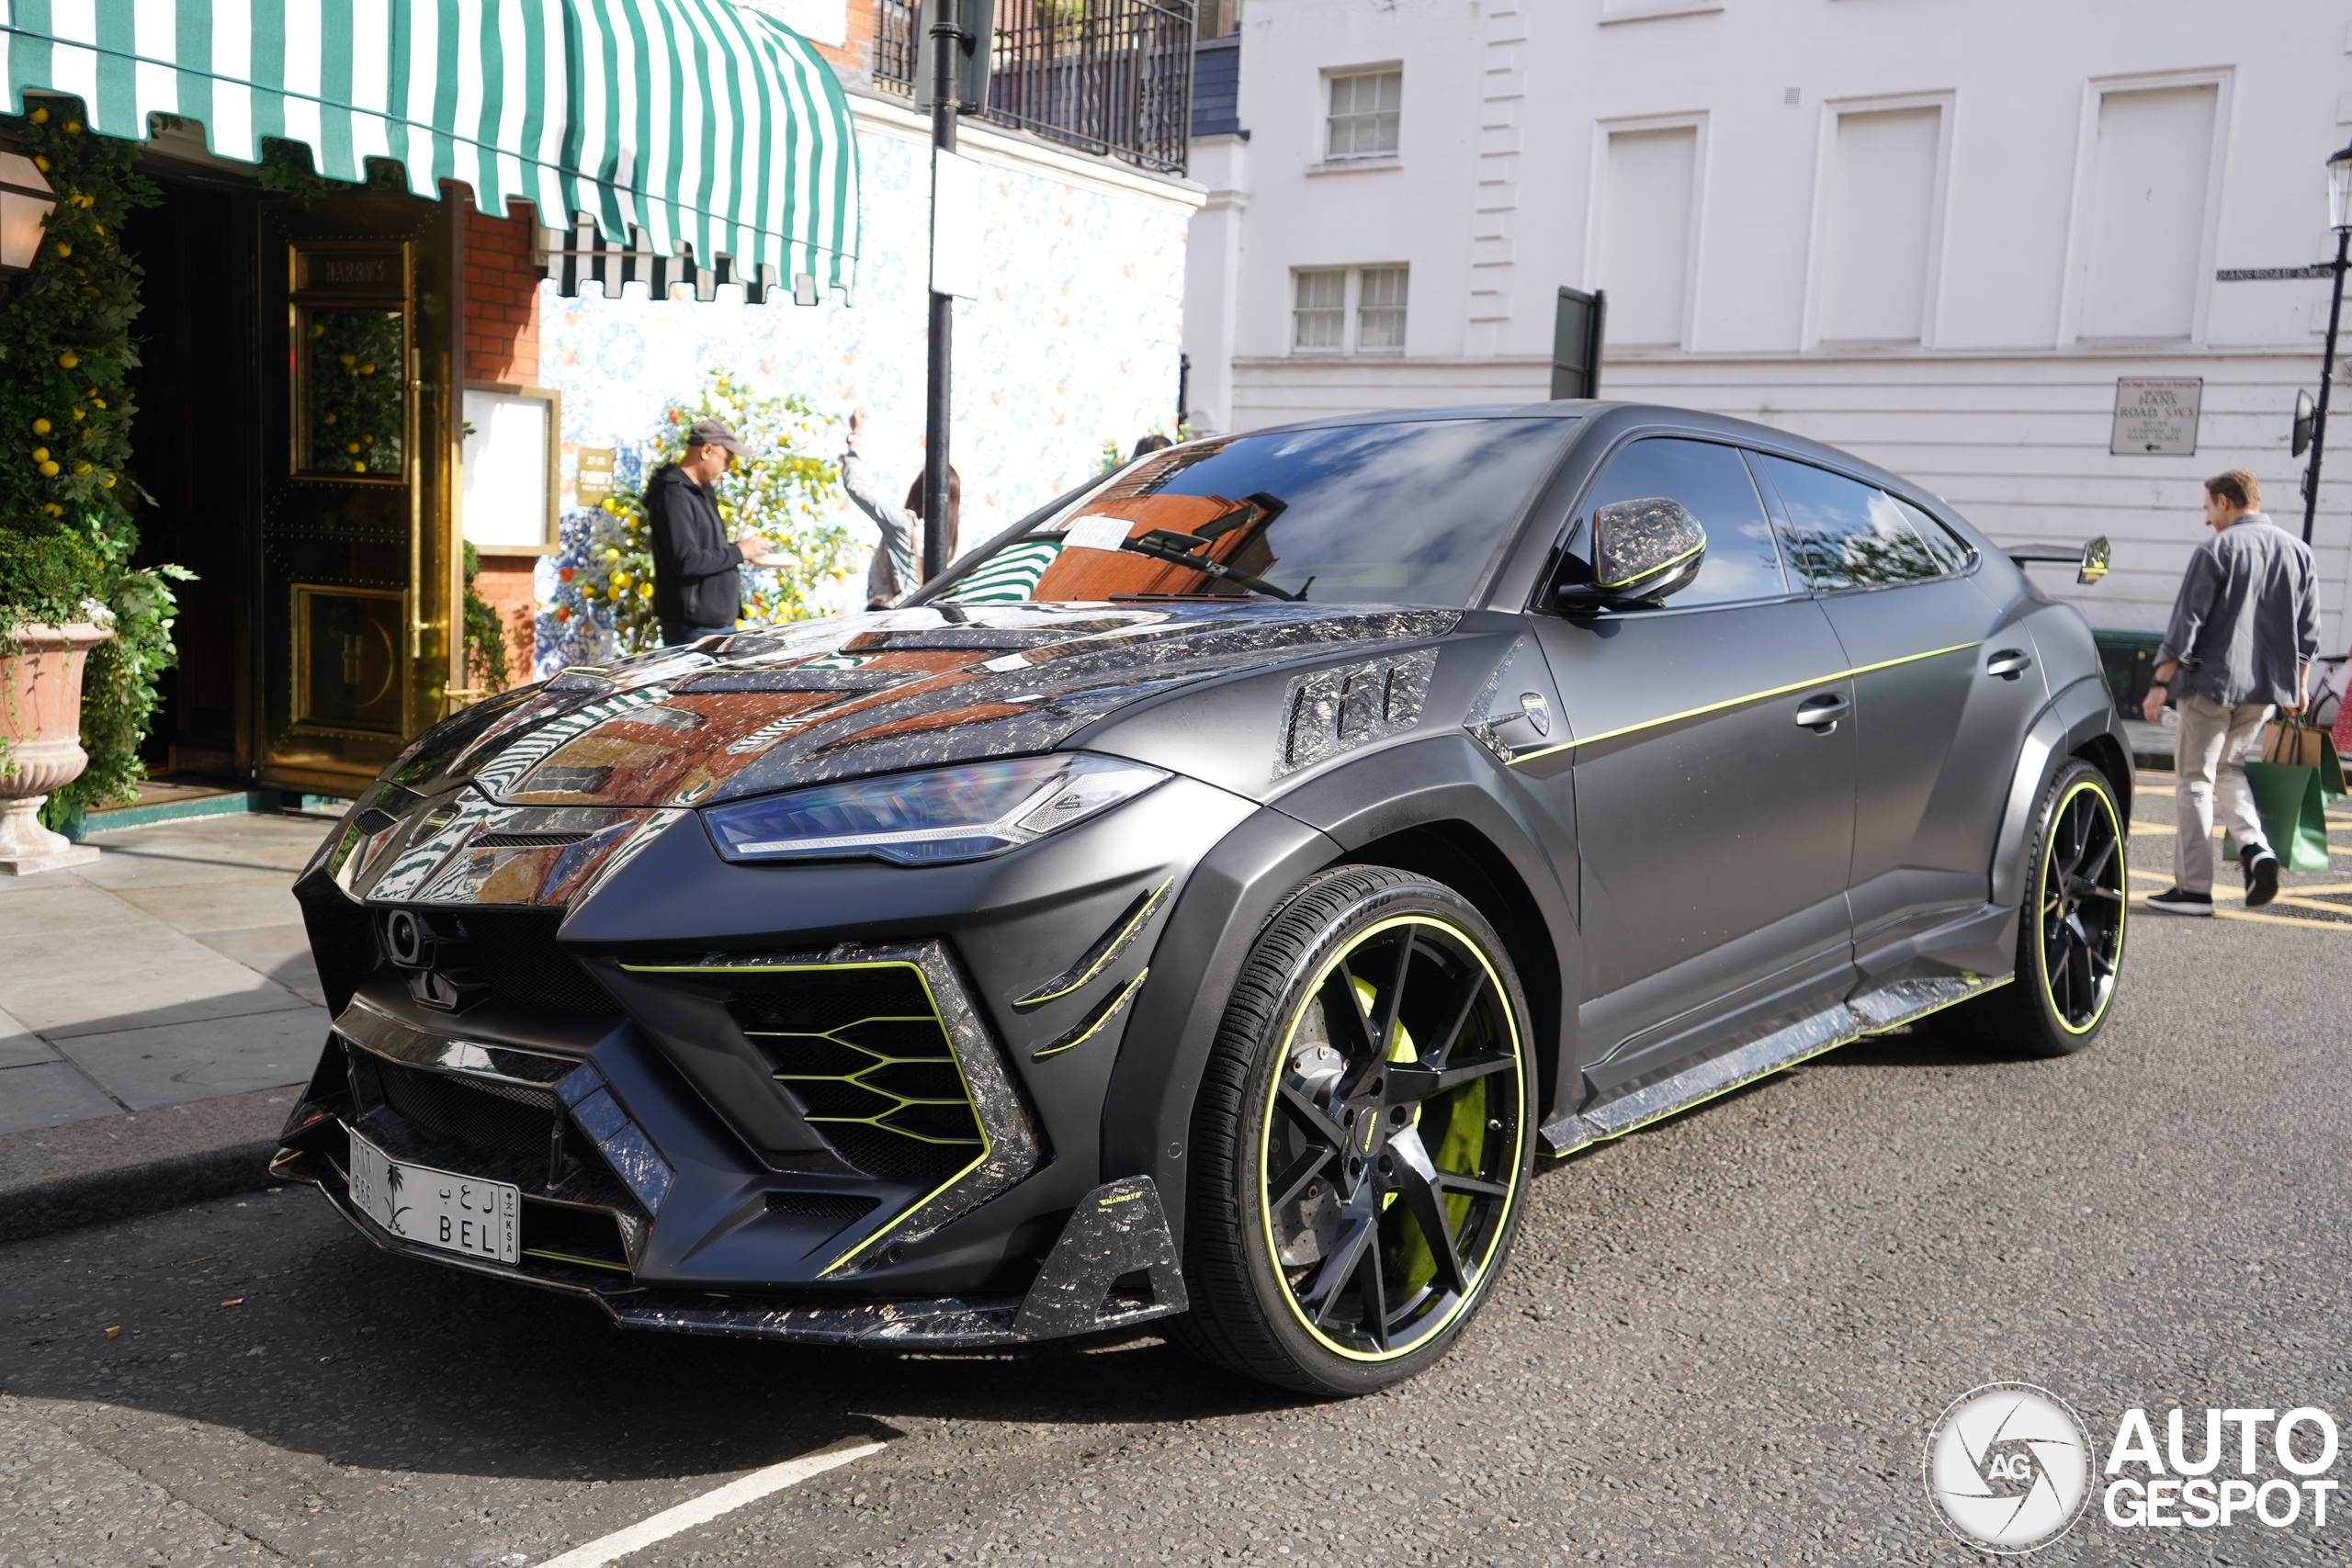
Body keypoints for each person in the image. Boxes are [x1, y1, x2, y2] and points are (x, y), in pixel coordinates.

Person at [2142, 469, 2318, 915]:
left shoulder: (2216, 550)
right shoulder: (2299, 553)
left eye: (2207, 508)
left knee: (2195, 781)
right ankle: (2256, 849)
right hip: (2265, 689)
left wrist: (2160, 683)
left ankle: (2194, 890)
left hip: (2211, 685)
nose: (2207, 519)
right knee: (2231, 770)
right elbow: (2308, 631)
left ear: (2224, 501)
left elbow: (2187, 623)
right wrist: (2298, 685)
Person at [646, 418, 787, 645]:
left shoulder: (700, 489)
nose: (728, 468)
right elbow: (687, 560)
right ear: (707, 450)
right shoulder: (673, 494)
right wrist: (739, 552)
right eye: (726, 459)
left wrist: (746, 551)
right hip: (694, 629)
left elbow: (710, 550)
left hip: (716, 625)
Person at [842, 409, 958, 607]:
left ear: (918, 490)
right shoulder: (951, 539)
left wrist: (855, 437)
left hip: (887, 616)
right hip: (917, 622)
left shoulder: (902, 525)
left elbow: (856, 488)